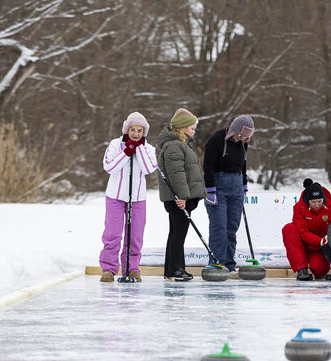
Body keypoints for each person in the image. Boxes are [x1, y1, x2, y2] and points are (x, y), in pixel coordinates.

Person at [99, 111, 157, 283]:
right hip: (115, 197)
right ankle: (108, 269)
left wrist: (138, 149)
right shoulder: (116, 144)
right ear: (127, 129)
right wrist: (126, 152)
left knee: (135, 236)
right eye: (133, 130)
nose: (136, 134)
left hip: (137, 198)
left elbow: (148, 169)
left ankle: (132, 269)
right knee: (112, 234)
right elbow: (109, 167)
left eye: (140, 131)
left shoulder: (148, 148)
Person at [155, 108, 206, 280]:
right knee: (178, 234)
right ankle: (175, 270)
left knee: (176, 233)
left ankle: (172, 270)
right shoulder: (174, 146)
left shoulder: (181, 144)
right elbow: (176, 174)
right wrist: (182, 197)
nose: (194, 130)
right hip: (178, 199)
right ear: (182, 127)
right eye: (192, 127)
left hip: (180, 198)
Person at [203, 115, 255, 272]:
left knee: (232, 227)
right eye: (240, 135)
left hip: (236, 188)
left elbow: (243, 164)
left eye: (246, 138)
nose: (241, 140)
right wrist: (210, 189)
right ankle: (217, 263)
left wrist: (244, 184)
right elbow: (208, 165)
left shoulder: (243, 144)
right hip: (218, 187)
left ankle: (229, 264)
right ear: (235, 130)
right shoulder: (216, 140)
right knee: (219, 226)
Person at [282, 178, 331, 281]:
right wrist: (319, 241)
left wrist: (326, 241)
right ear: (308, 200)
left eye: (319, 201)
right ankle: (301, 269)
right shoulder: (299, 207)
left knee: (319, 270)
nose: (317, 205)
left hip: (320, 247)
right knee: (289, 228)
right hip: (303, 243)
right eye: (313, 202)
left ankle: (319, 266)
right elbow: (303, 232)